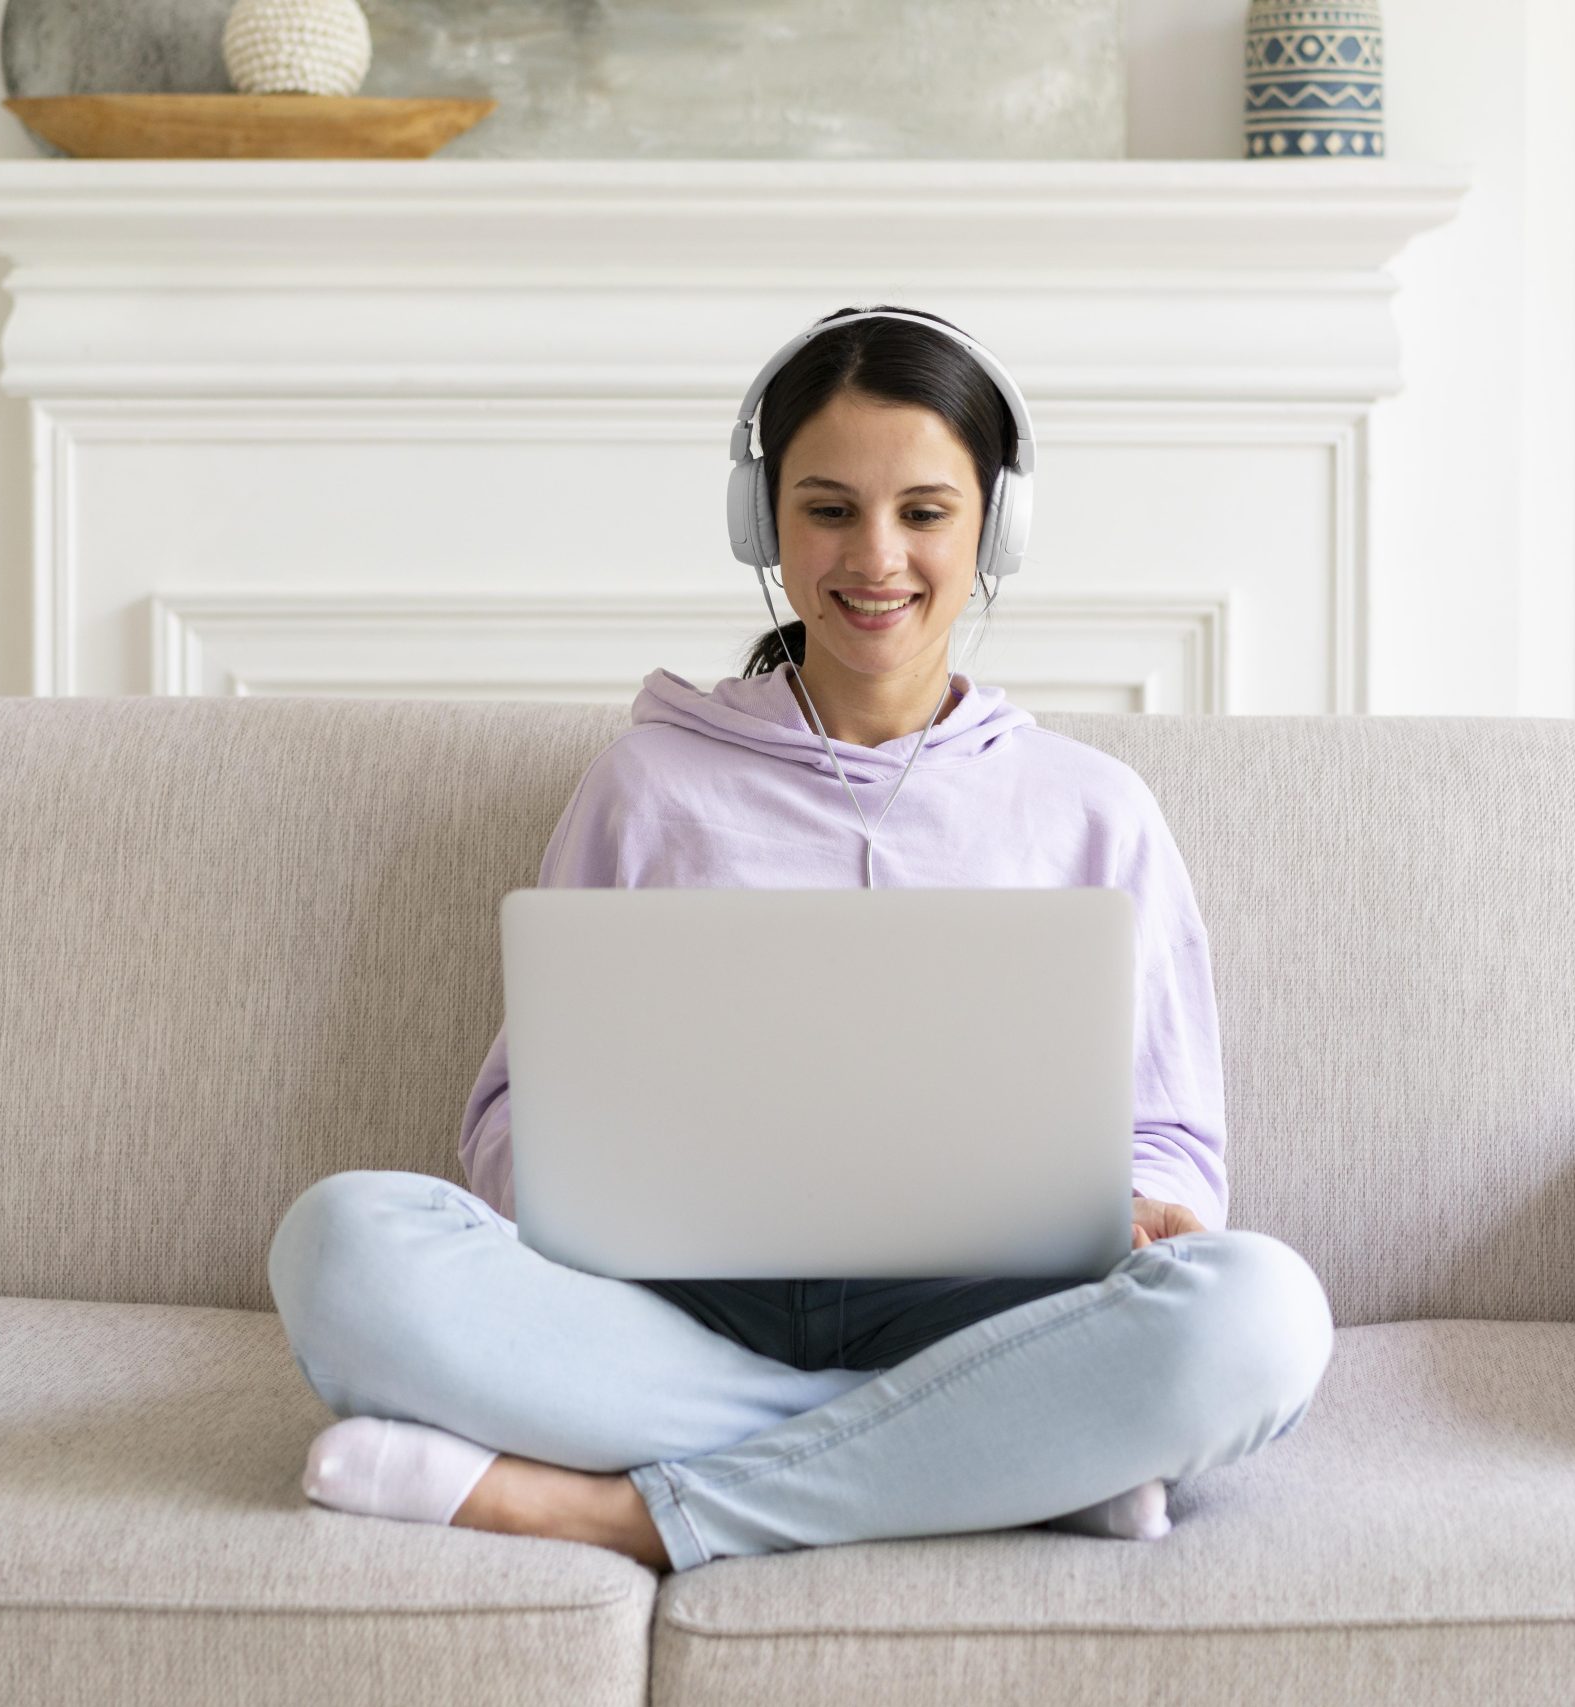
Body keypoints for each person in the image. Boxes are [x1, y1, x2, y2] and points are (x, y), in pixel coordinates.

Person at [265, 305, 1335, 1575]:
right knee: (341, 1248)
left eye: (923, 512)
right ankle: (986, 1464)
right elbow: (506, 1121)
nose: (875, 557)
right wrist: (575, 1183)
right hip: (669, 1310)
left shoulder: (1092, 807)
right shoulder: (647, 786)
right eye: (828, 508)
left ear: (994, 521)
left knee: (1261, 1317)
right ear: (761, 520)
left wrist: (1156, 1209)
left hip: (986, 1317)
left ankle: (629, 1512)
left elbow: (1170, 1134)